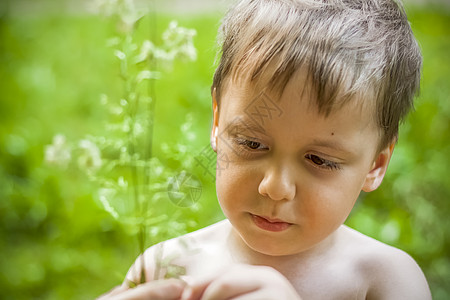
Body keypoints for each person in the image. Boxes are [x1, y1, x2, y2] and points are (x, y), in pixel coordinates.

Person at [99, 0, 432, 299]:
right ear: (217, 122)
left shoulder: (384, 282)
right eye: (251, 143)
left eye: (320, 160)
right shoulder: (166, 267)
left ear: (376, 164)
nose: (274, 187)